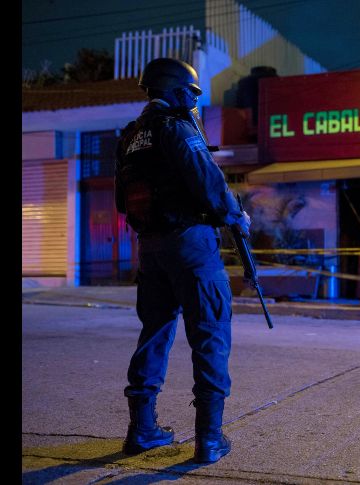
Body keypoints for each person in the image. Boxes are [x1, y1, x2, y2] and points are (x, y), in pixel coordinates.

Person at [114, 57, 251, 464]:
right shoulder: (176, 127)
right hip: (191, 244)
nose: (193, 101)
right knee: (209, 333)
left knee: (153, 333)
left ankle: (141, 430)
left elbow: (123, 200)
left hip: (151, 248)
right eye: (191, 94)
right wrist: (235, 216)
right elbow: (209, 184)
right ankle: (209, 439)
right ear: (176, 90)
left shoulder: (130, 136)